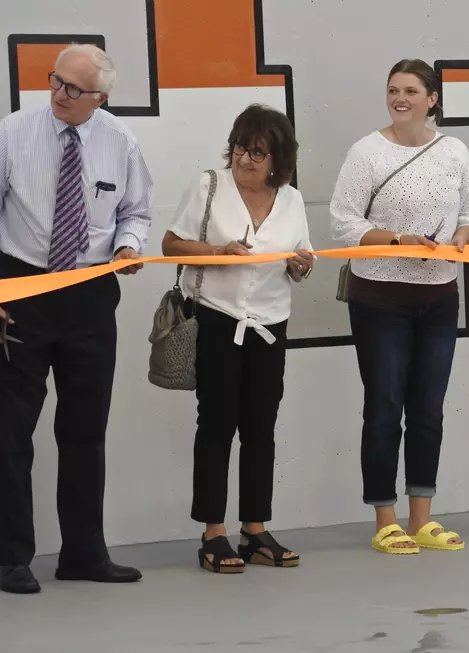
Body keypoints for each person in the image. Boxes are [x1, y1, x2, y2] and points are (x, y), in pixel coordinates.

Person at [0, 44, 152, 594]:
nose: (60, 95)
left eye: (74, 89)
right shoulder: (13, 132)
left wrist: (130, 246)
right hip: (21, 288)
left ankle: (83, 552)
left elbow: (136, 209)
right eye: (56, 82)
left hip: (89, 292)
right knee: (10, 428)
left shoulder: (119, 141)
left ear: (101, 97)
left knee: (85, 428)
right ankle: (9, 556)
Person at [330, 59, 469, 554]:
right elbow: (343, 224)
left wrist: (463, 235)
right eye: (393, 90)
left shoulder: (454, 150)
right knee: (383, 408)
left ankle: (422, 517)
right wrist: (399, 239)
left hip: (439, 295)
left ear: (432, 99)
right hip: (379, 298)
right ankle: (384, 518)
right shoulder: (365, 153)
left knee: (428, 411)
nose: (400, 98)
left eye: (412, 91)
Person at [162, 104, 314, 573]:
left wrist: (300, 265)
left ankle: (254, 527)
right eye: (239, 148)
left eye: (257, 151)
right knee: (216, 425)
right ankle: (212, 532)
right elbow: (171, 245)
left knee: (260, 428)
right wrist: (217, 252)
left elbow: (303, 257)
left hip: (271, 324)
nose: (245, 159)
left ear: (278, 159)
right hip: (217, 319)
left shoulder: (291, 199)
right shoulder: (209, 185)